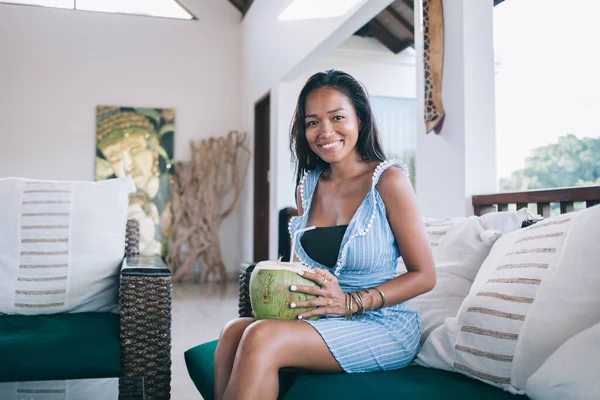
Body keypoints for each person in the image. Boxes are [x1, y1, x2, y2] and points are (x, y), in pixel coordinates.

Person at [214, 70, 436, 400]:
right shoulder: (310, 185)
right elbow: (298, 268)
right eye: (313, 122)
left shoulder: (388, 182)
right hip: (323, 316)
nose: (325, 131)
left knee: (262, 337)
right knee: (233, 331)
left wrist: (350, 301)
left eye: (337, 117)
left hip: (382, 325)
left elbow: (425, 275)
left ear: (359, 118)